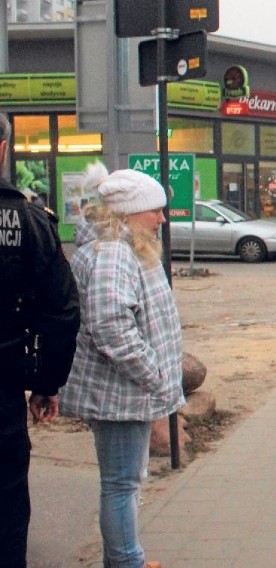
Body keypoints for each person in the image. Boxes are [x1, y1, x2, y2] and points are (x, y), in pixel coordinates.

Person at [59, 162, 184, 568]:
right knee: (121, 484)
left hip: (126, 392)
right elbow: (111, 326)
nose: (162, 219)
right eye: (156, 210)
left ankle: (125, 557)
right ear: (130, 212)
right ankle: (126, 561)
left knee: (126, 481)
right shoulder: (115, 252)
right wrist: (155, 375)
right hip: (121, 393)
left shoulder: (125, 246)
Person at [0, 112, 80, 568]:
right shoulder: (28, 222)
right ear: (4, 149)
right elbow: (63, 314)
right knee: (7, 510)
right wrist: (47, 384)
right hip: (4, 391)